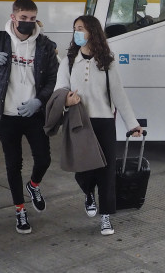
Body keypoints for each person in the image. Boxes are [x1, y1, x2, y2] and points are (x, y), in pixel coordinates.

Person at [0, 0, 59, 234]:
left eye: (32, 18)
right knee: (13, 164)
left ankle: (34, 185)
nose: (28, 22)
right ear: (13, 17)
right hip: (6, 115)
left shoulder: (45, 45)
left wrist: (39, 100)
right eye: (23, 18)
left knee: (44, 158)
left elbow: (52, 79)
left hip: (33, 113)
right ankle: (20, 210)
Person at [54, 15, 142, 235]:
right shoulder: (69, 60)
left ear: (92, 31)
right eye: (75, 28)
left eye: (81, 28)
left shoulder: (107, 62)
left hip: (103, 121)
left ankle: (106, 217)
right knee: (83, 168)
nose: (77, 32)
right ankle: (88, 193)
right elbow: (59, 89)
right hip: (78, 121)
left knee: (106, 170)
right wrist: (66, 99)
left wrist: (132, 124)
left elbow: (119, 95)